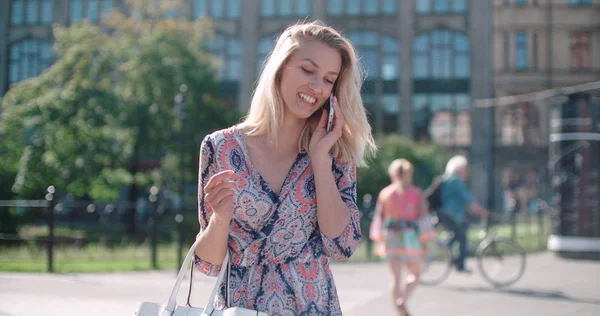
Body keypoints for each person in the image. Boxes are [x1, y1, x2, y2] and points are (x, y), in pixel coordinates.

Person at [193, 21, 377, 315]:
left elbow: (340, 245)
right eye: (307, 70)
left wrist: (319, 160)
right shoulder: (221, 147)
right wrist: (220, 219)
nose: (316, 87)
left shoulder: (334, 151)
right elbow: (208, 263)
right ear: (280, 67)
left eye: (329, 79)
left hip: (314, 305)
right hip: (240, 306)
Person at [369, 159, 435, 316]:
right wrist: (426, 240)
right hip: (410, 238)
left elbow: (379, 218)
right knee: (415, 274)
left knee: (395, 278)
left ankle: (399, 311)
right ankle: (403, 299)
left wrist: (379, 239)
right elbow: (423, 218)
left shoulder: (385, 193)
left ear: (393, 174)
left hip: (392, 238)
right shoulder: (416, 193)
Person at [437, 155, 489, 273]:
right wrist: (480, 211)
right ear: (459, 169)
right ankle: (459, 264)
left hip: (445, 213)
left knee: (459, 233)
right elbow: (467, 199)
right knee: (462, 237)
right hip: (450, 213)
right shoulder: (455, 180)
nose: (466, 172)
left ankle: (447, 249)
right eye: (465, 168)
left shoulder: (446, 178)